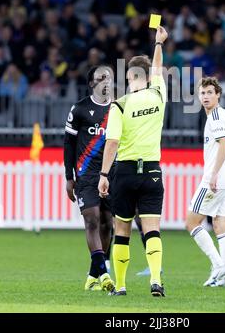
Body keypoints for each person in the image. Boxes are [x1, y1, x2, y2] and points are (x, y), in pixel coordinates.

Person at [98, 26, 168, 297]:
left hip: (125, 172)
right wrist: (158, 43)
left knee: (122, 230)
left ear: (129, 77)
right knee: (152, 229)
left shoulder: (120, 104)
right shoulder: (158, 95)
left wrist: (104, 174)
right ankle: (155, 280)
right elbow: (159, 70)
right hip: (151, 170)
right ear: (147, 77)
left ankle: (122, 285)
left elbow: (112, 143)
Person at [64, 65, 115, 293]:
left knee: (108, 225)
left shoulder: (118, 109)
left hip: (112, 173)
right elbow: (69, 144)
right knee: (92, 220)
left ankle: (93, 275)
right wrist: (69, 177)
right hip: (85, 174)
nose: (106, 81)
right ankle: (104, 273)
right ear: (92, 83)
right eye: (101, 77)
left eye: (109, 77)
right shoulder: (80, 109)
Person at [186, 76, 225, 287]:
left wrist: (214, 173)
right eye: (202, 93)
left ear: (218, 94)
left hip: (216, 179)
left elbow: (224, 144)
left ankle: (219, 266)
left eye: (210, 92)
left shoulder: (216, 116)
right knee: (220, 225)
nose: (205, 96)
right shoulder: (223, 114)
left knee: (191, 222)